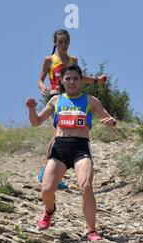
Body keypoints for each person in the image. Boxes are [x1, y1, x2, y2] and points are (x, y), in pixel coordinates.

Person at [26, 64, 117, 241]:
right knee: (46, 189)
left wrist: (111, 122)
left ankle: (91, 230)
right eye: (68, 78)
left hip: (80, 147)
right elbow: (36, 122)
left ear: (80, 81)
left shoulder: (91, 100)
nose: (72, 82)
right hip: (60, 148)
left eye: (76, 78)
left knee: (87, 186)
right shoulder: (55, 100)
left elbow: (107, 117)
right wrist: (31, 109)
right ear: (62, 81)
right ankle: (49, 210)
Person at [37, 29, 108, 189]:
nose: (63, 45)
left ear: (69, 43)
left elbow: (78, 77)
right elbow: (40, 79)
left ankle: (51, 172)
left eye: (66, 42)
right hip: (56, 98)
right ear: (55, 43)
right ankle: (46, 171)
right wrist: (42, 87)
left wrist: (97, 80)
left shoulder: (73, 59)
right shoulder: (49, 60)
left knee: (61, 133)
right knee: (58, 132)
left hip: (73, 100)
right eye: (60, 42)